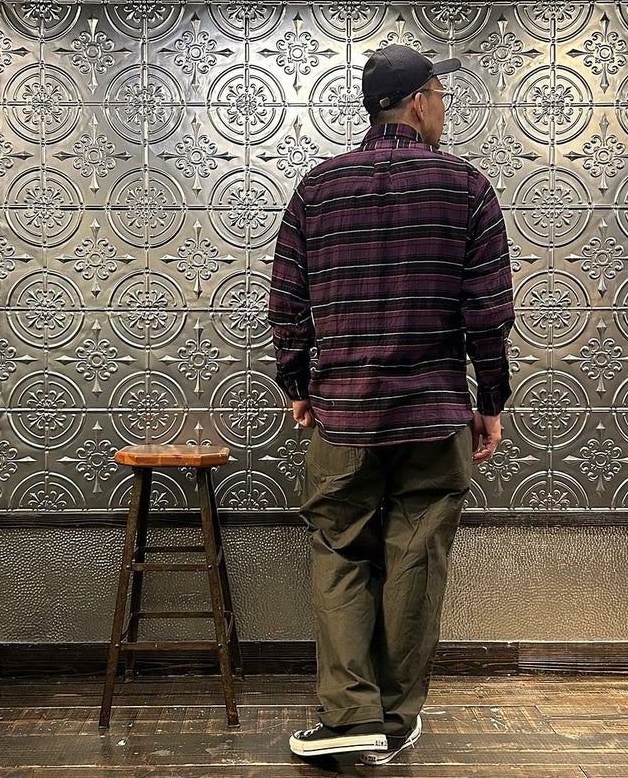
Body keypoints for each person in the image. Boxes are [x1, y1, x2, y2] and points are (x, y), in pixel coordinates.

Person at [267, 44, 515, 765]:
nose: (444, 108)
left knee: (339, 551)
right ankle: (398, 718)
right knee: (417, 561)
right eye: (439, 94)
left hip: (344, 414)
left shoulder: (317, 189)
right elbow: (488, 313)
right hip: (435, 414)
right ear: (415, 102)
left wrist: (298, 386)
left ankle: (350, 716)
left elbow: (287, 303)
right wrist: (489, 400)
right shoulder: (466, 187)